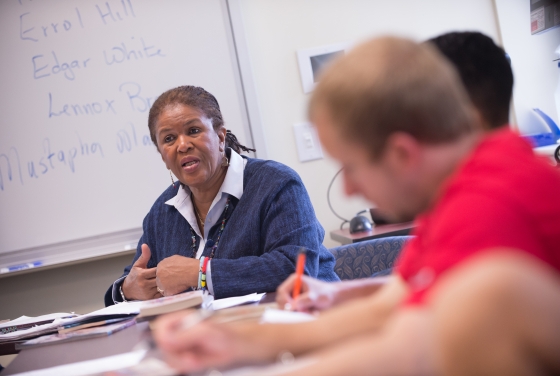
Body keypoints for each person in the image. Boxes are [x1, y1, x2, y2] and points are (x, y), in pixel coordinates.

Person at [152, 36, 560, 375]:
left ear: (402, 153)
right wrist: (237, 341)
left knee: (490, 291)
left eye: (350, 165)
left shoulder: (490, 202)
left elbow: (410, 347)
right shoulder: (464, 186)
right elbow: (397, 300)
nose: (348, 188)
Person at [104, 85, 338, 306]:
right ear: (163, 156)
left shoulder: (276, 183)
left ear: (221, 137)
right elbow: (134, 276)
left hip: (305, 323)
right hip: (216, 337)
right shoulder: (162, 211)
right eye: (168, 139)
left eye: (193, 131)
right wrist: (127, 289)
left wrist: (200, 273)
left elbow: (295, 268)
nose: (182, 145)